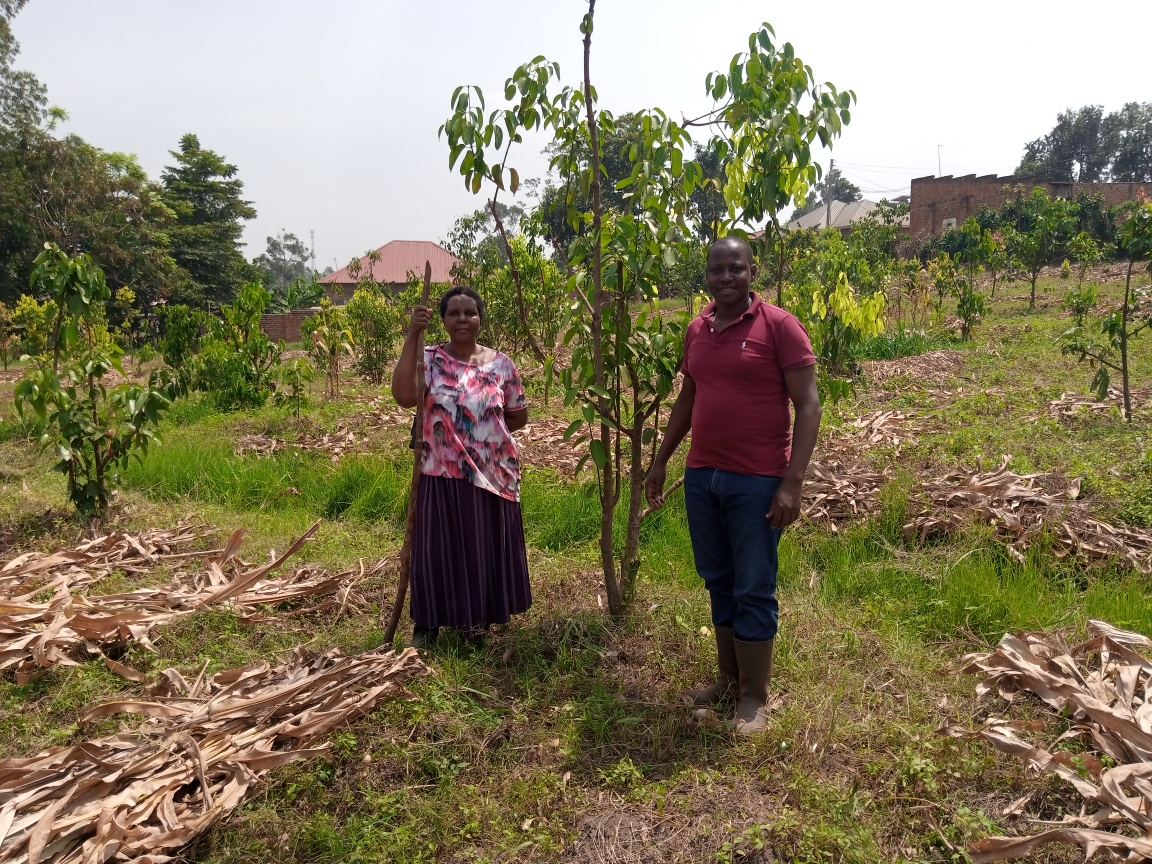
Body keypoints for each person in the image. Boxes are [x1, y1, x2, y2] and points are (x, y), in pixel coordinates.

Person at [645, 237, 821, 734]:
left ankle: (754, 696)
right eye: (717, 269)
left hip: (758, 480)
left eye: (735, 269)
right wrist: (661, 461)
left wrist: (793, 482)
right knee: (718, 579)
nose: (726, 277)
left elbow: (808, 405)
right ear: (706, 274)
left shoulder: (780, 327)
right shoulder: (698, 329)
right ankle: (726, 679)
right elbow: (688, 398)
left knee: (753, 586)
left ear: (752, 272)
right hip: (704, 476)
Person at [391, 285, 532, 649]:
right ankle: (429, 622)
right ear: (443, 320)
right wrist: (411, 334)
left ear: (481, 319)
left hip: (492, 474)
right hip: (440, 470)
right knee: (435, 549)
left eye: (470, 312)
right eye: (454, 313)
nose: (463, 319)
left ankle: (475, 622)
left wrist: (481, 439)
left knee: (478, 548)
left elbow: (517, 414)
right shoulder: (430, 358)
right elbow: (404, 397)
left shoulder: (502, 364)